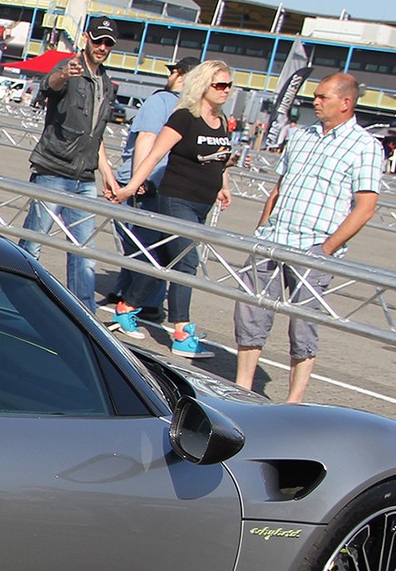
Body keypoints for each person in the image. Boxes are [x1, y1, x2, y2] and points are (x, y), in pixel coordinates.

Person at [232, 71, 383, 403]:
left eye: (322, 97)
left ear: (346, 103)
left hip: (314, 246)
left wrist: (326, 249)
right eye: (314, 96)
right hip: (273, 238)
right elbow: (279, 188)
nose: (315, 101)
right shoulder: (301, 136)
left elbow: (365, 207)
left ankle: (294, 399)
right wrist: (262, 229)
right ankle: (242, 387)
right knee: (251, 311)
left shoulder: (365, 147)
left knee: (303, 324)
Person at [107, 60, 236, 357]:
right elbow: (154, 156)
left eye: (229, 85)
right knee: (186, 264)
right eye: (220, 85)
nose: (225, 91)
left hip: (202, 202)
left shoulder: (222, 119)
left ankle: (126, 307)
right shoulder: (183, 117)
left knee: (164, 260)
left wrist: (223, 186)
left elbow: (220, 157)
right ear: (203, 85)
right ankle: (182, 332)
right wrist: (129, 187)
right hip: (176, 199)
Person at [21, 19, 121, 304]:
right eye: (98, 40)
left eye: (108, 43)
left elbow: (95, 134)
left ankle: (85, 316)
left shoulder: (105, 83)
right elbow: (48, 86)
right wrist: (64, 74)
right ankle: (20, 300)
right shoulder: (69, 67)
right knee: (33, 244)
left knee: (84, 254)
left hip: (85, 177)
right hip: (54, 170)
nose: (102, 47)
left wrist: (108, 174)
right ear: (87, 38)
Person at [102, 56, 193, 324]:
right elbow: (147, 139)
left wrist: (136, 184)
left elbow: (149, 139)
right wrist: (138, 183)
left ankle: (136, 298)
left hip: (152, 185)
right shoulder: (170, 103)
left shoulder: (172, 103)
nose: (171, 75)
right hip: (150, 184)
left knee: (144, 245)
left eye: (174, 71)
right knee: (144, 246)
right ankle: (132, 297)